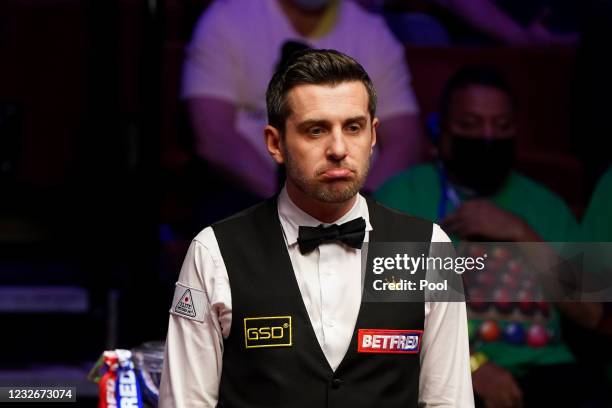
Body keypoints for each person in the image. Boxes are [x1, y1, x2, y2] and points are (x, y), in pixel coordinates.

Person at [160, 49, 473, 407]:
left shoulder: (429, 248)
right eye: (316, 130)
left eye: (353, 128)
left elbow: (450, 401)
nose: (338, 149)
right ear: (275, 143)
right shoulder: (214, 252)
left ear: (373, 135)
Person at [375, 65, 602, 407]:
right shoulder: (402, 197)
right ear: (441, 131)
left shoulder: (546, 205)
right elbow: (385, 322)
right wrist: (471, 366)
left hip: (550, 377)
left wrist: (520, 233)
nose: (487, 137)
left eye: (502, 126)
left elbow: (593, 313)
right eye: (469, 124)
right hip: (443, 376)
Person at [182, 0, 426, 224]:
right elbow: (214, 136)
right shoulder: (227, 19)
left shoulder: (372, 33)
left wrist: (357, 206)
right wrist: (294, 202)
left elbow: (405, 140)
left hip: (358, 209)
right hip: (250, 200)